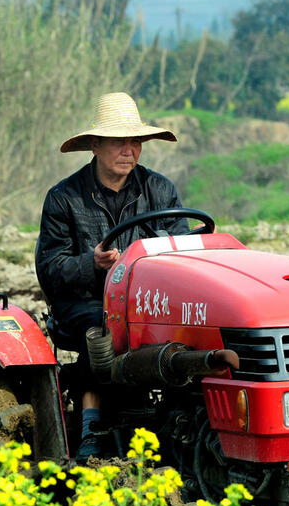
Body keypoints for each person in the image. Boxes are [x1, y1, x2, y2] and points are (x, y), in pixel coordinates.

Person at [34, 91, 190, 459]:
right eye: (119, 141)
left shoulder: (160, 190)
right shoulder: (63, 198)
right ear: (95, 145)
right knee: (101, 328)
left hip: (148, 302)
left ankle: (183, 419)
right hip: (85, 300)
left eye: (135, 141)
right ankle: (91, 425)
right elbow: (50, 268)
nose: (129, 150)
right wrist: (92, 264)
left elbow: (184, 248)